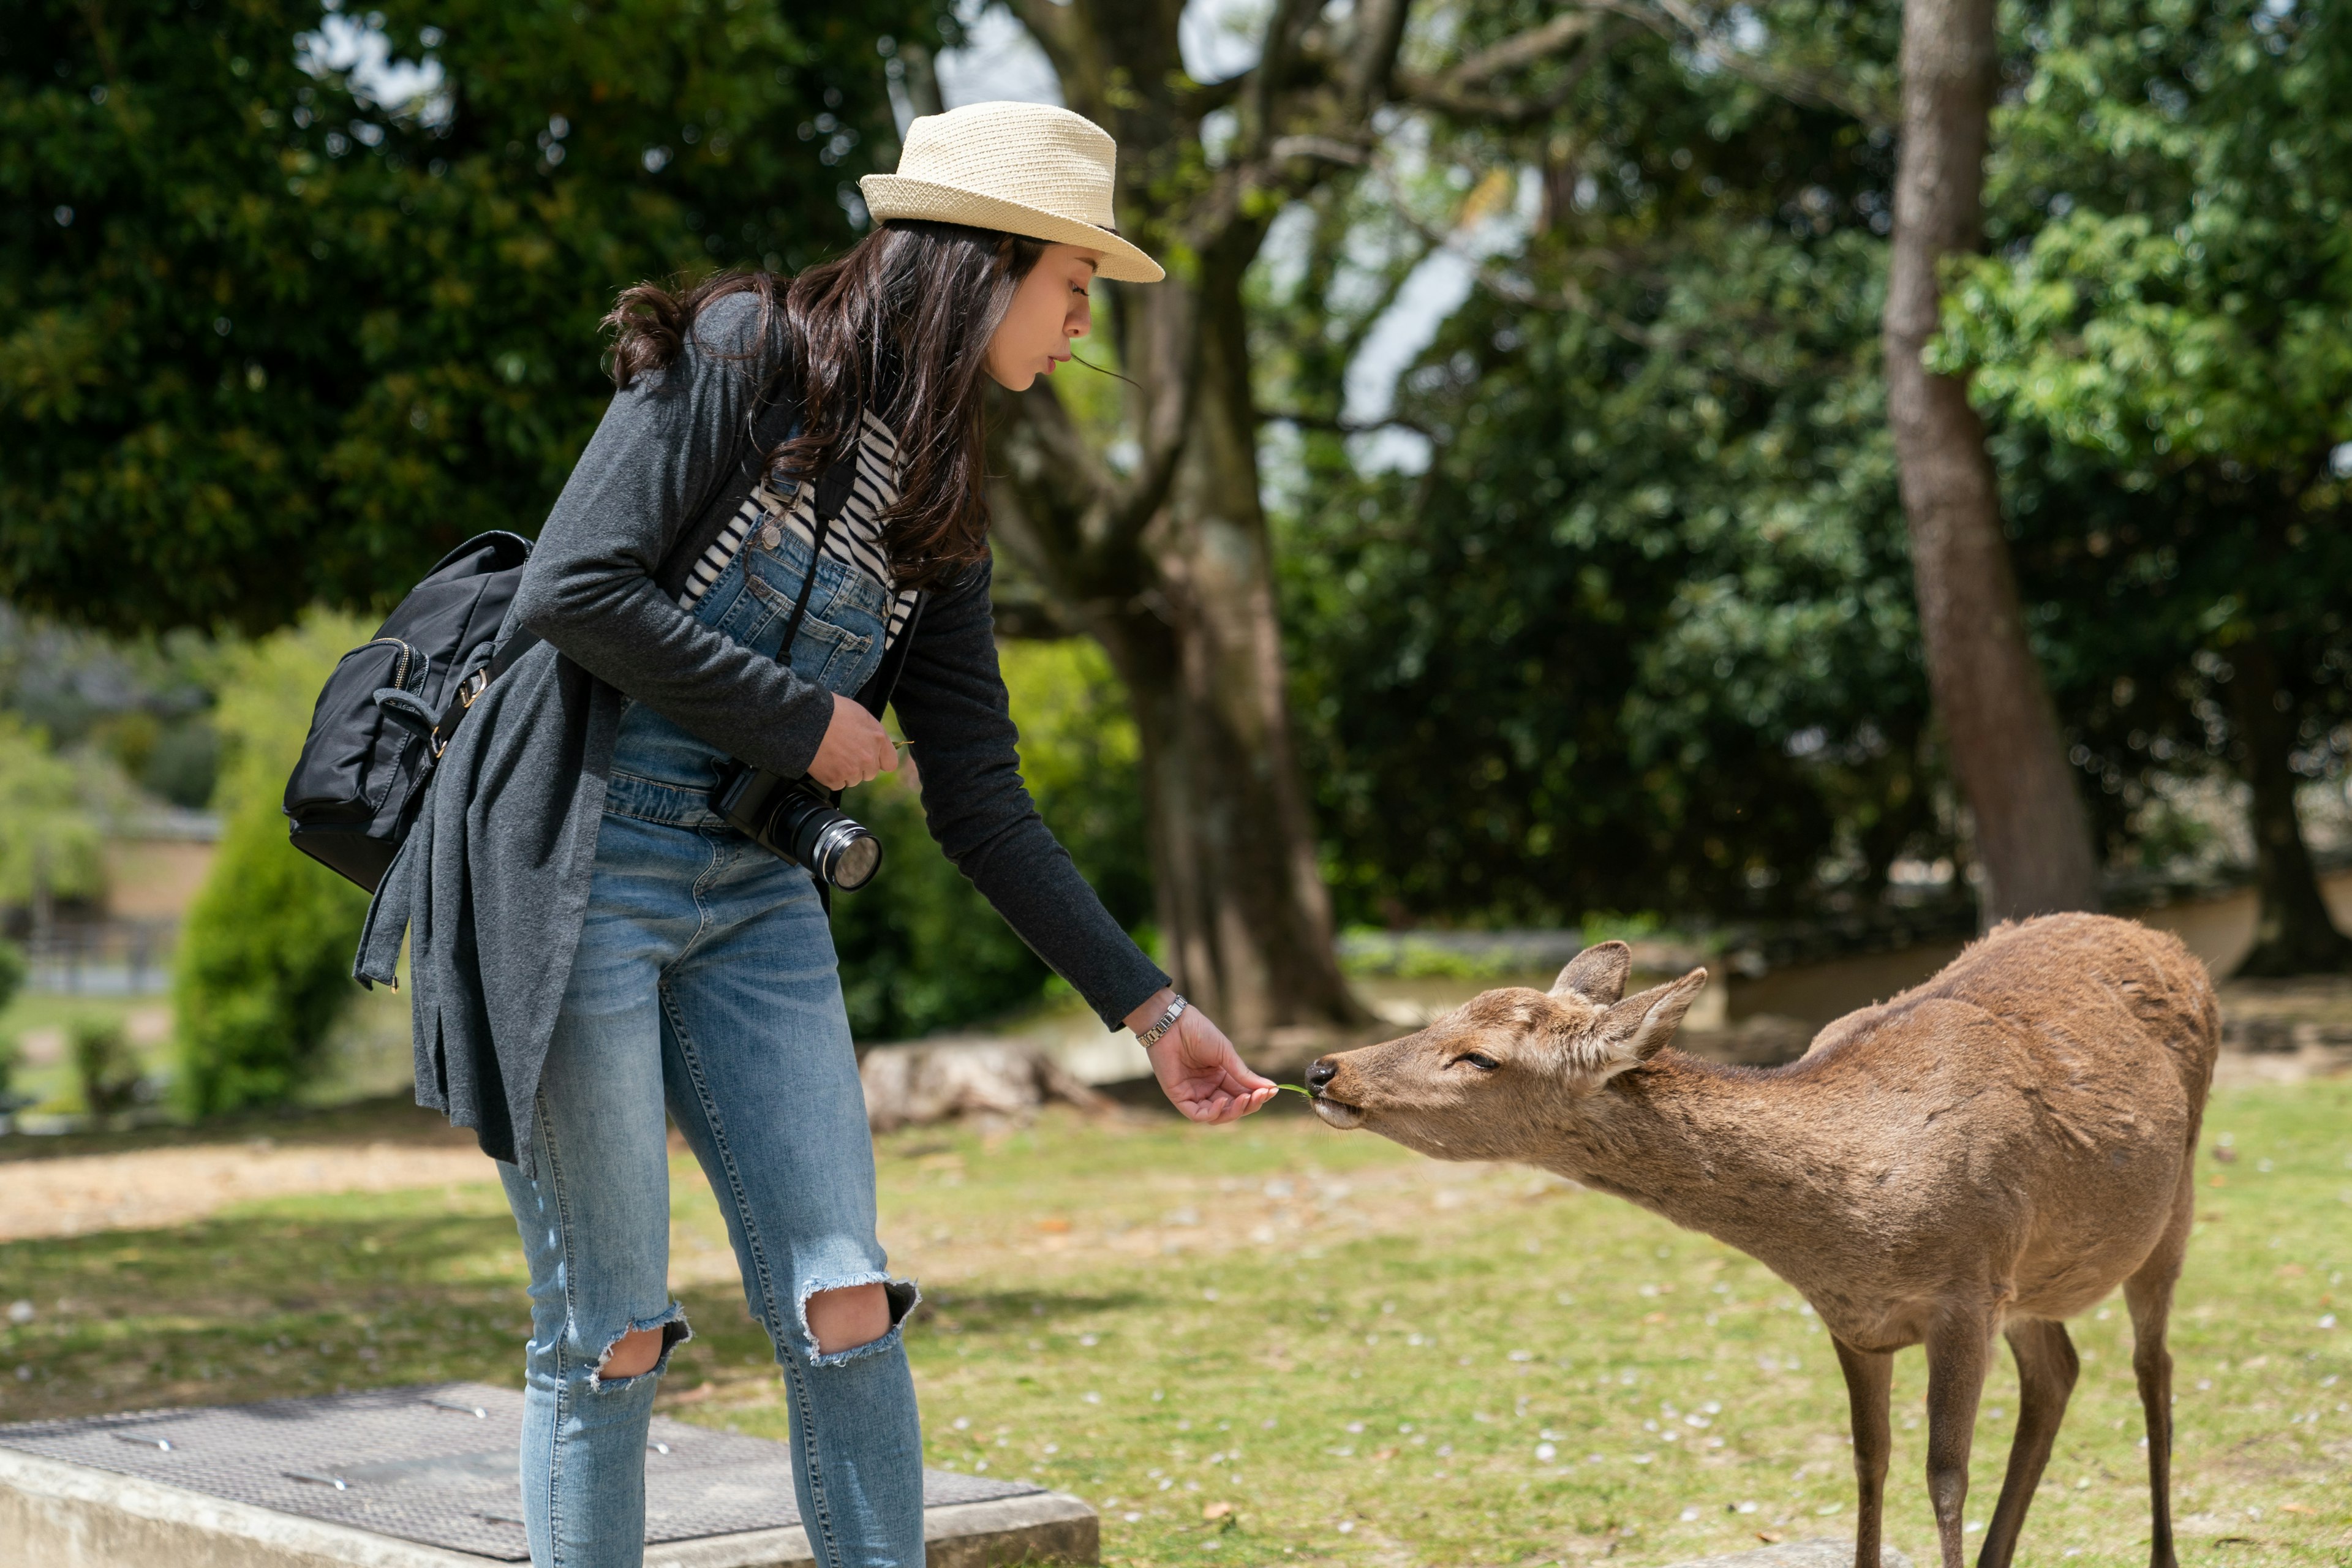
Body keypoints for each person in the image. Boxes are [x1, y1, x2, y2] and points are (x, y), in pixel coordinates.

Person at [353, 100, 1278, 1568]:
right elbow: (575, 588)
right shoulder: (742, 355)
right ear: (986, 264)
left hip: (755, 894)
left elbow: (980, 798)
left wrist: (1152, 1009)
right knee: (615, 1329)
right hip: (579, 861)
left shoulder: (948, 498)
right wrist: (808, 724)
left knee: (846, 1299)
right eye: (1072, 286)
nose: (1079, 326)